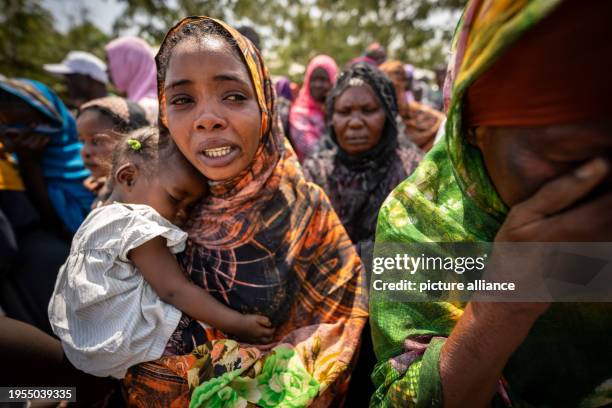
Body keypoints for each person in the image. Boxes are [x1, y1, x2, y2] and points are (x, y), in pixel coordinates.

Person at [370, 1, 612, 407]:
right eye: (565, 159)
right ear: (474, 130)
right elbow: (400, 398)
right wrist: (502, 304)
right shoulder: (416, 220)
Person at [124, 16, 366, 407]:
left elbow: (339, 325)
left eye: (233, 96)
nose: (207, 118)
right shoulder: (147, 208)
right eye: (183, 100)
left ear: (265, 104)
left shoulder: (306, 210)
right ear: (164, 112)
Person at [49, 127, 278, 379]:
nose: (182, 213)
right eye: (175, 198)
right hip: (138, 342)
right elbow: (173, 289)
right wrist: (238, 324)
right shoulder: (134, 223)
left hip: (93, 346)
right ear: (128, 177)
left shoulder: (96, 218)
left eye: (190, 206)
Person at [302, 63, 422, 246]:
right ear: (331, 119)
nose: (355, 123)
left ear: (388, 115)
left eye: (368, 110)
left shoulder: (413, 173)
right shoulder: (316, 175)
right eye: (344, 112)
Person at [0, 78, 93, 236]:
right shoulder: (9, 161)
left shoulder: (89, 159)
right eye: (4, 127)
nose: (7, 136)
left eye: (25, 125)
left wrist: (30, 164)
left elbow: (54, 222)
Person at [77, 96, 149, 202]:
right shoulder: (103, 188)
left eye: (96, 141)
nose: (85, 152)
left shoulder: (142, 195)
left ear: (129, 140)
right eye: (82, 141)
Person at [380, 60, 444, 152]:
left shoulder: (423, 114)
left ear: (404, 85)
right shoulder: (378, 118)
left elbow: (443, 124)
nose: (389, 95)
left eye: (394, 88)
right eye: (384, 90)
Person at [288, 54, 338, 162]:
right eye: (314, 79)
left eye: (323, 80)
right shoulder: (299, 113)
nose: (318, 85)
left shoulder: (338, 109)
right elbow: (312, 150)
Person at [105, 37, 159, 124]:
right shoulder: (143, 102)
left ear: (130, 63)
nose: (107, 69)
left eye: (109, 62)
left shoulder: (147, 109)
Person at [43, 51, 108, 109]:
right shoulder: (85, 114)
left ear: (90, 79)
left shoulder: (113, 116)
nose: (66, 84)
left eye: (71, 78)